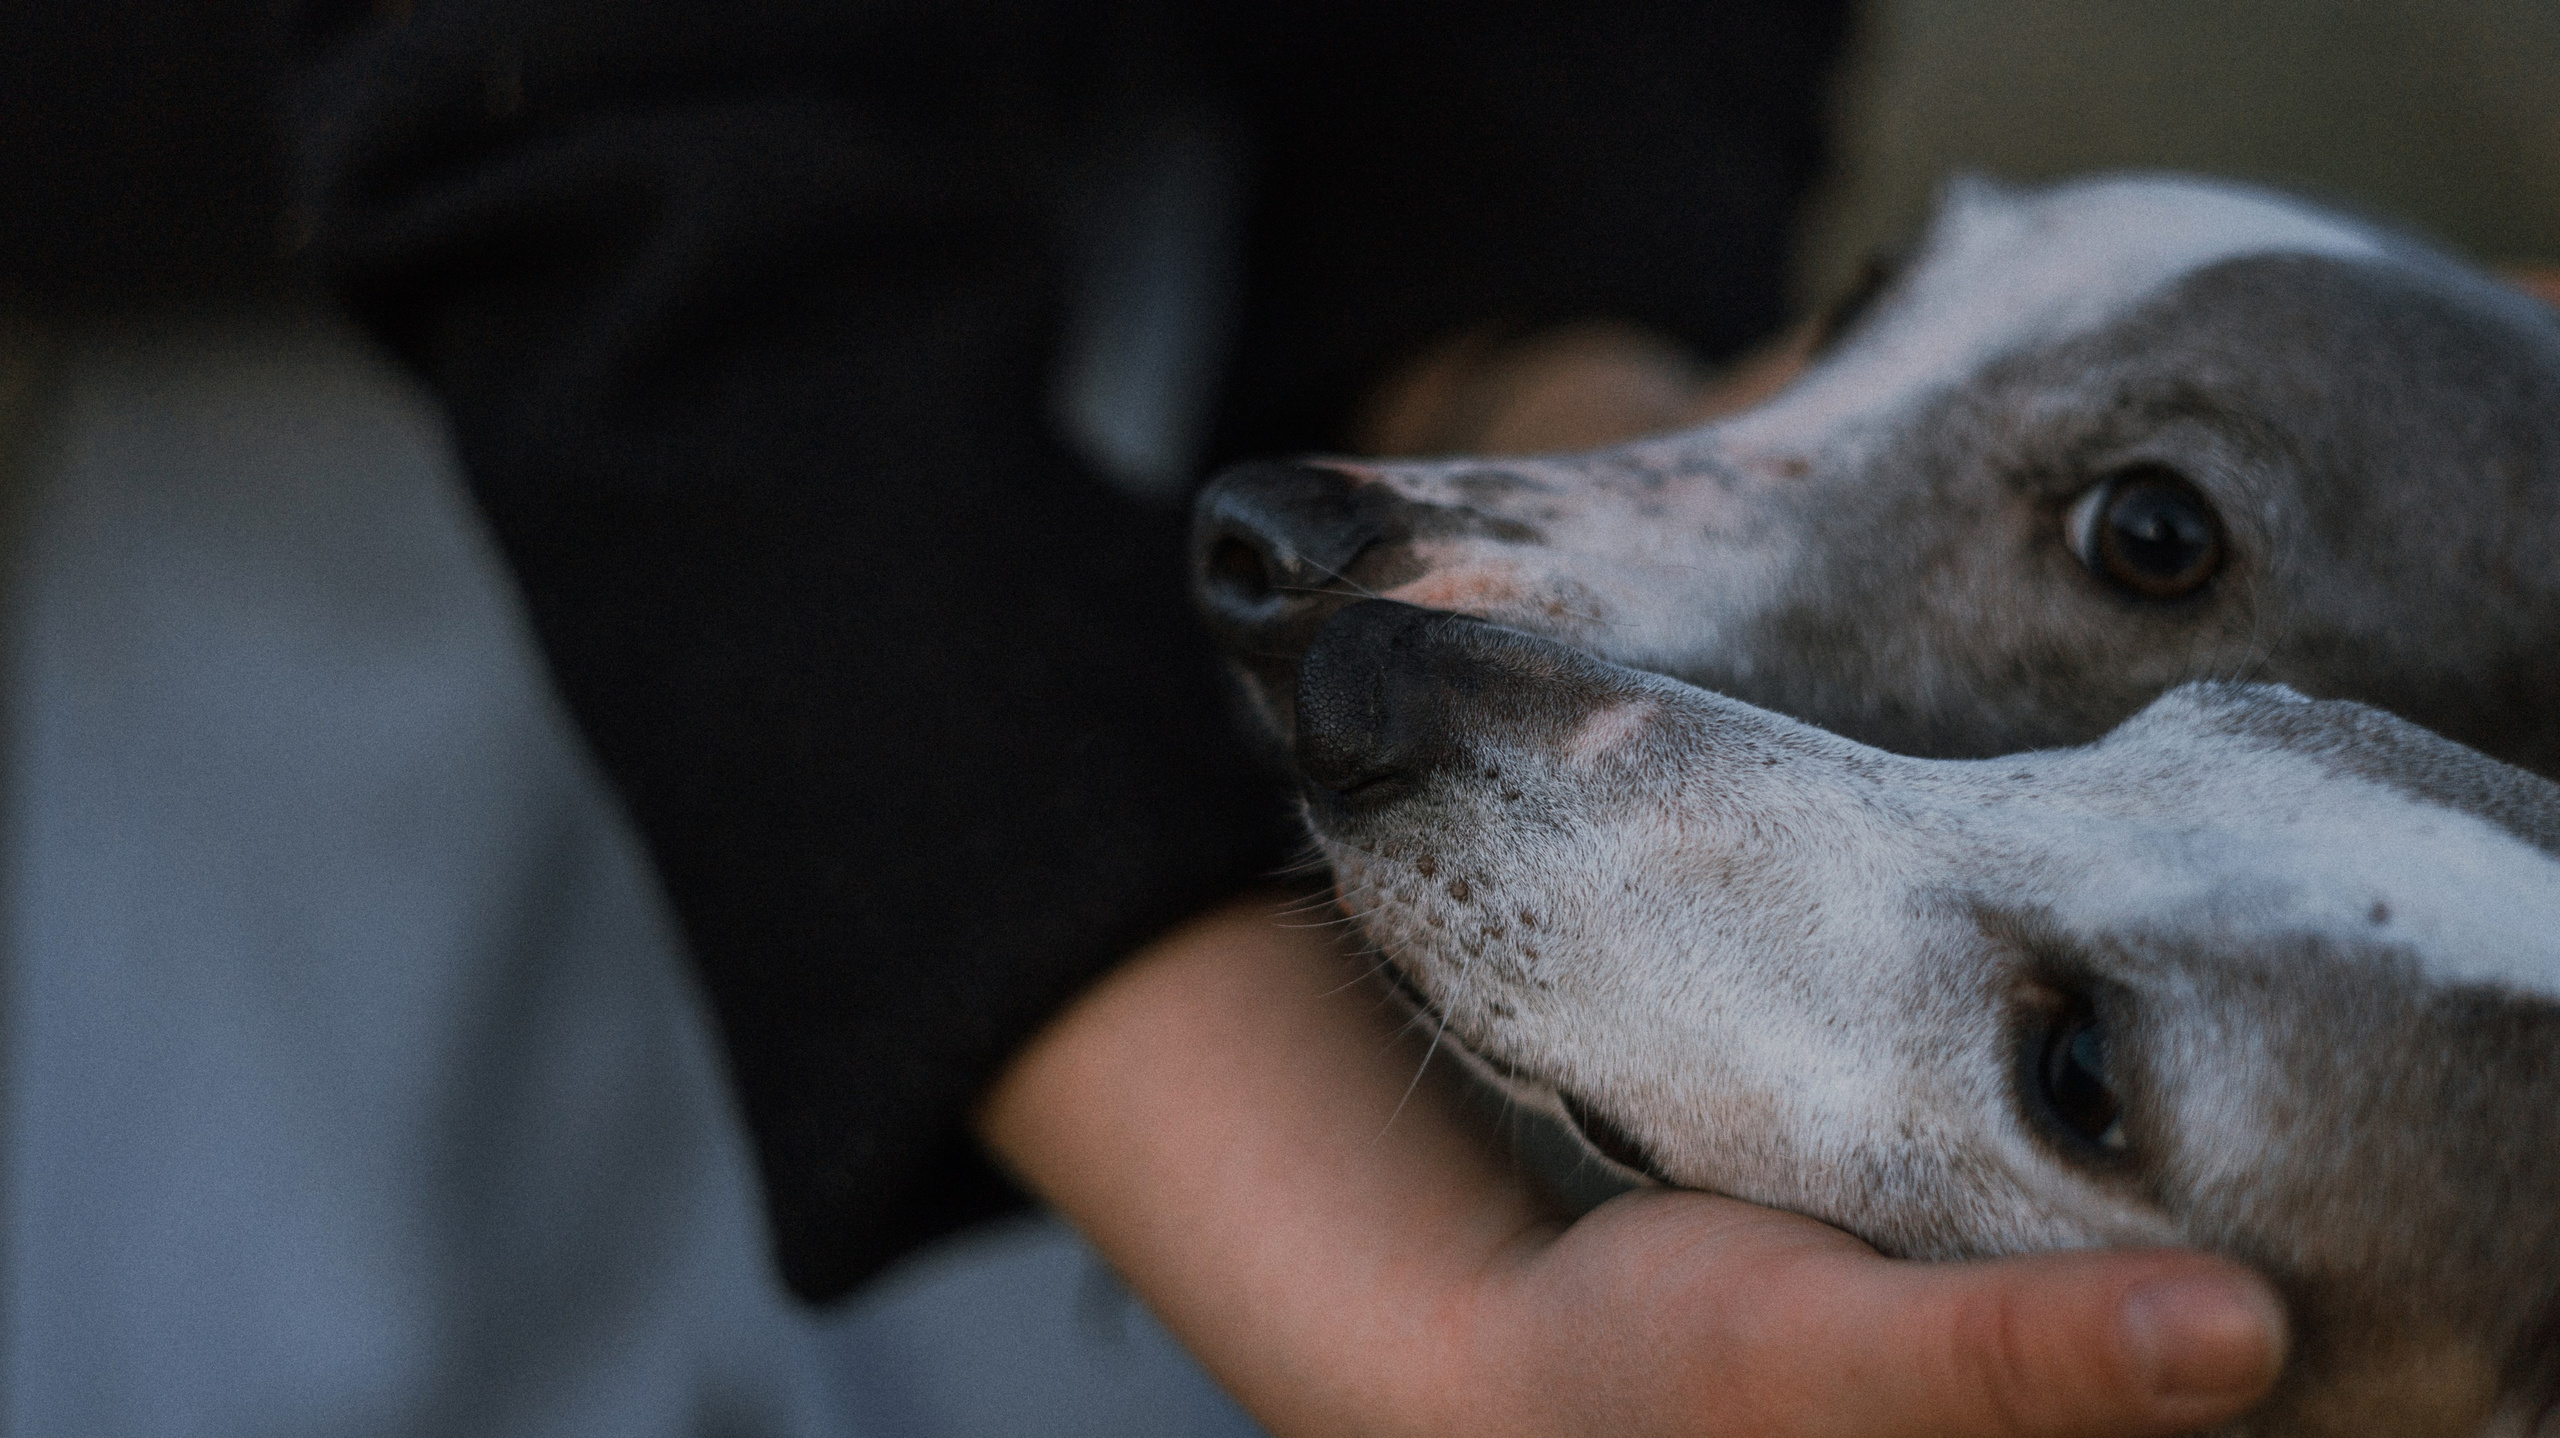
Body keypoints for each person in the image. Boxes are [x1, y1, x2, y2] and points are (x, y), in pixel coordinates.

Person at [7, 0, 2281, 1431]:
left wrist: (1525, 368)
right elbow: (588, 136)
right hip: (373, 313)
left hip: (1136, 152)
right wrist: (1424, 1320)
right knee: (330, 1292)